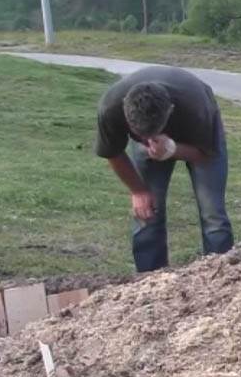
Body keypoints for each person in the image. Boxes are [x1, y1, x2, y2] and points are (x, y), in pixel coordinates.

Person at [95, 66, 233, 272]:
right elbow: (112, 152)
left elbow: (206, 156)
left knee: (213, 215)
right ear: (125, 108)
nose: (146, 140)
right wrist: (138, 191)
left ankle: (220, 276)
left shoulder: (196, 107)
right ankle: (149, 279)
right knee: (147, 213)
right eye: (139, 135)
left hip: (195, 129)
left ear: (170, 111)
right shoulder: (111, 107)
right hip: (160, 130)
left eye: (152, 133)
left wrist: (173, 149)